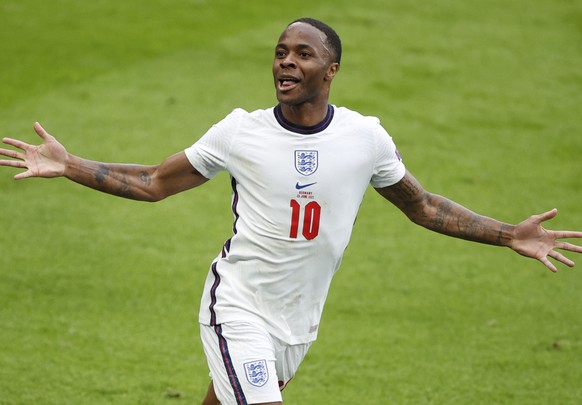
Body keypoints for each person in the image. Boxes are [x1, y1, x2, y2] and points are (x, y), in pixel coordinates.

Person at [1, 17, 581, 405]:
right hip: (237, 307)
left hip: (299, 320)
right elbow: (155, 182)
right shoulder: (240, 133)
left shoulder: (366, 138)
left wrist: (509, 235)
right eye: (280, 52)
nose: (286, 62)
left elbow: (424, 206)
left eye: (303, 54)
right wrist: (71, 164)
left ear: (330, 72)